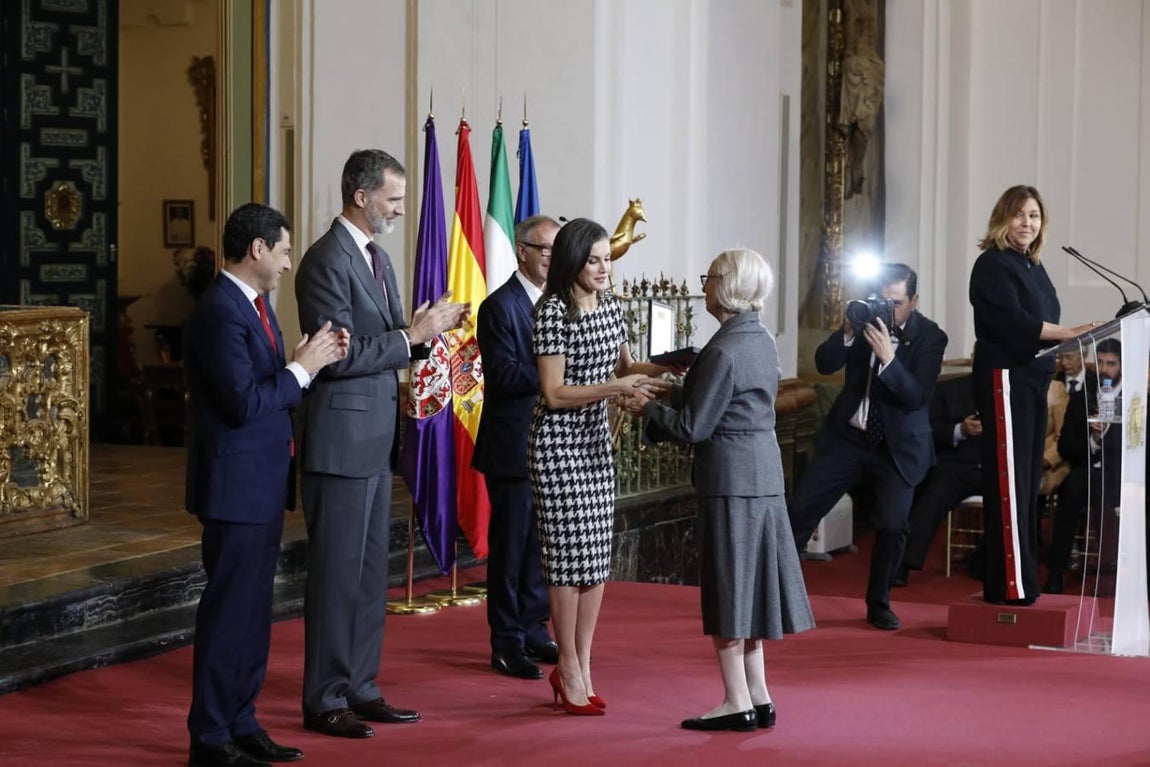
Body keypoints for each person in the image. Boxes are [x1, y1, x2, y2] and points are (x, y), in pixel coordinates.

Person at [295, 150, 469, 738]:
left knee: (371, 576)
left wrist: (425, 331)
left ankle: (361, 687)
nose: (399, 208)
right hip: (340, 442)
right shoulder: (325, 260)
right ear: (361, 196)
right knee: (336, 577)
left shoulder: (379, 257)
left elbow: (392, 340)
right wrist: (410, 333)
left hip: (374, 441)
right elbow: (335, 356)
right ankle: (324, 698)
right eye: (393, 198)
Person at [184, 203, 348, 767]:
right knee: (229, 615)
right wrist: (302, 369)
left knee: (253, 614)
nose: (285, 263)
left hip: (261, 485)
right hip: (234, 488)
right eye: (282, 251)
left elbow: (271, 388)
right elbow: (244, 403)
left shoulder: (255, 305)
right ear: (257, 249)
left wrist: (308, 365)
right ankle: (210, 737)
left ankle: (242, 721)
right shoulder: (219, 311)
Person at [638, 249, 814, 732]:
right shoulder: (758, 339)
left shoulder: (722, 349)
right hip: (763, 476)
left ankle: (736, 701)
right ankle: (759, 696)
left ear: (728, 285)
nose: (704, 285)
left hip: (731, 481)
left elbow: (694, 427)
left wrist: (647, 409)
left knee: (729, 592)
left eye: (710, 277)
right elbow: (727, 401)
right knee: (749, 591)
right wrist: (671, 394)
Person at [527, 217, 664, 716]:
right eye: (595, 260)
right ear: (573, 261)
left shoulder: (611, 307)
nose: (605, 269)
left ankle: (583, 662)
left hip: (595, 443)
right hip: (557, 446)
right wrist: (615, 388)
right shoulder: (552, 313)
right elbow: (554, 392)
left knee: (595, 560)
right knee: (567, 561)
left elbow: (627, 368)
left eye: (608, 259)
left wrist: (670, 365)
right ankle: (566, 665)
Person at [789, 263, 947, 630]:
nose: (887, 311)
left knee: (893, 525)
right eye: (881, 301)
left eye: (896, 304)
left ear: (914, 301)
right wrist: (847, 332)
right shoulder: (863, 322)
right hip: (848, 438)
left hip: (897, 447)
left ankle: (878, 602)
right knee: (799, 511)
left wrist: (889, 359)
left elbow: (916, 397)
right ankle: (779, 596)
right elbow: (824, 364)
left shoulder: (931, 337)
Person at [968, 185, 1100, 605]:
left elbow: (1043, 318)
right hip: (1005, 379)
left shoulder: (1032, 266)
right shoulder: (992, 264)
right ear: (1002, 218)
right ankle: (1008, 585)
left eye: (1035, 216)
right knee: (1010, 481)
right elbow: (1014, 321)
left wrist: (1065, 336)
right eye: (1020, 214)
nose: (1028, 223)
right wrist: (1069, 333)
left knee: (1026, 483)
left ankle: (1020, 580)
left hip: (1032, 379)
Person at [473, 215, 562, 680]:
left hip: (551, 444)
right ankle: (506, 641)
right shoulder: (498, 307)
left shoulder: (560, 302)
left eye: (556, 250)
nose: (551, 257)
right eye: (544, 249)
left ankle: (533, 627)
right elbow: (504, 375)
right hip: (511, 446)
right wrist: (556, 374)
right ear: (522, 251)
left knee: (538, 547)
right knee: (509, 549)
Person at [1045, 339, 1122, 594]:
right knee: (1070, 494)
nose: (1105, 369)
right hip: (1086, 468)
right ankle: (1055, 573)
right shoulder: (1082, 396)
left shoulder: (1134, 397)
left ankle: (1109, 573)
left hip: (1119, 473)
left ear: (1122, 365)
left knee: (1108, 497)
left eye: (1111, 363)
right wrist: (1093, 439)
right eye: (1100, 362)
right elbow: (1065, 445)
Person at [896, 372, 982, 586]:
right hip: (958, 468)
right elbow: (928, 430)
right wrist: (960, 430)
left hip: (999, 469)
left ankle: (983, 560)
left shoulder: (1016, 390)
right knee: (934, 496)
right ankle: (902, 563)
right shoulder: (950, 389)